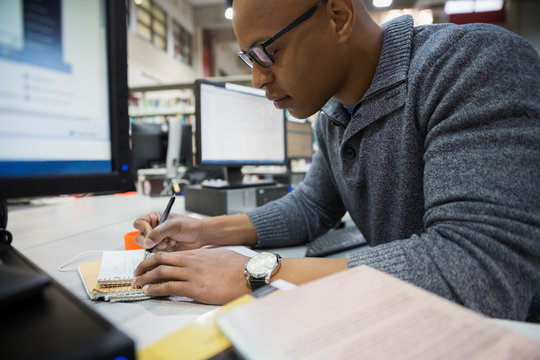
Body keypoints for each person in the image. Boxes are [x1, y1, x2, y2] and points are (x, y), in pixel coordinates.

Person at [132, 0, 540, 320]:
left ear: (339, 16)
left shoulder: (471, 65)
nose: (257, 78)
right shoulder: (334, 114)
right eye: (248, 59)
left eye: (265, 52)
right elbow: (312, 206)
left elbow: (477, 271)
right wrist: (206, 232)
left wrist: (252, 274)